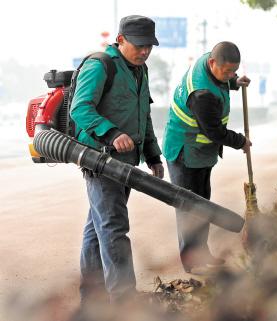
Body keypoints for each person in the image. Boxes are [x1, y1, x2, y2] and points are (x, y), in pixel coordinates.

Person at [70, 15, 164, 303]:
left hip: (127, 162)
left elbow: (143, 116)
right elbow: (79, 109)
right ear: (121, 39)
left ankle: (92, 295)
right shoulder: (100, 66)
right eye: (139, 45)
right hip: (100, 159)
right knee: (113, 227)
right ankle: (124, 300)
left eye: (149, 45)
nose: (145, 51)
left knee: (98, 227)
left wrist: (152, 154)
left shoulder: (140, 70)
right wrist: (110, 133)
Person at [162, 41, 251, 273]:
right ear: (212, 63)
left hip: (200, 151)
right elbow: (215, 132)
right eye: (227, 72)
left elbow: (221, 78)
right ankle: (191, 262)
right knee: (189, 208)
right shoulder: (201, 94)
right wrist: (241, 141)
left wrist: (233, 82)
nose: (230, 74)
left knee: (202, 205)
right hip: (184, 150)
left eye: (234, 70)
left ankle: (203, 253)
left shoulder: (209, 62)